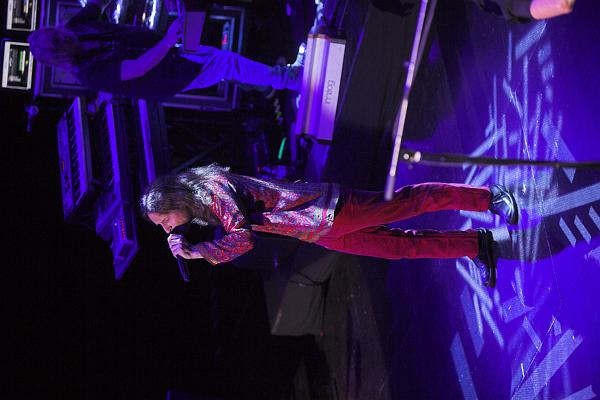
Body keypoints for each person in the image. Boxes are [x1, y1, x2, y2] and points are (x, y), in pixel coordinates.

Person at [139, 164, 520, 288]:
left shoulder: (212, 189)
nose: (167, 229)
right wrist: (195, 246)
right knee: (399, 247)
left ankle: (486, 197)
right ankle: (474, 244)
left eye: (165, 220)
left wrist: (198, 252)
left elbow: (241, 237)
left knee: (408, 204)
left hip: (328, 210)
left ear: (174, 201)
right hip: (317, 229)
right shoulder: (204, 204)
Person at [27, 0, 302, 100]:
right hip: (169, 74)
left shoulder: (76, 28)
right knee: (226, 64)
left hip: (173, 52)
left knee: (198, 14)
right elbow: (138, 68)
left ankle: (273, 80)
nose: (67, 32)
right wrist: (168, 41)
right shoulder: (90, 74)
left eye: (60, 31)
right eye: (62, 38)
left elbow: (96, 5)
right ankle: (287, 79)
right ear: (61, 54)